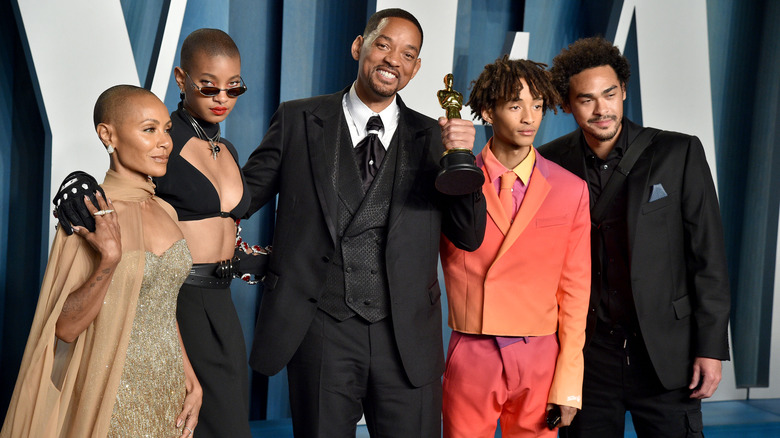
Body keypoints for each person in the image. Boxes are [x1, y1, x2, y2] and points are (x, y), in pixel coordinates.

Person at [241, 8, 486, 437]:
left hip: (405, 337)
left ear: (416, 68)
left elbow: (468, 235)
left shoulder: (435, 138)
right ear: (360, 46)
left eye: (408, 54)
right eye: (384, 44)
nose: (394, 60)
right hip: (320, 330)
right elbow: (240, 199)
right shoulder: (299, 119)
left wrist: (462, 161)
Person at [538, 36, 731, 437]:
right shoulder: (550, 161)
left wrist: (710, 348)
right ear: (568, 105)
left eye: (609, 94)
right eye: (586, 99)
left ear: (624, 91)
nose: (601, 108)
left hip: (665, 353)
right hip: (587, 358)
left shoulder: (679, 153)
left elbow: (708, 258)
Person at [1, 85, 201, 438]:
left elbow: (162, 307)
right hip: (111, 393)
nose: (165, 142)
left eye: (167, 129)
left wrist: (190, 377)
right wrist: (109, 259)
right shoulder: (88, 215)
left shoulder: (167, 210)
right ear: (108, 135)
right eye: (149, 129)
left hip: (168, 388)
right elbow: (64, 328)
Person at [439, 55, 590, 438]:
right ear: (488, 113)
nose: (530, 118)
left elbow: (575, 292)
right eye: (515, 105)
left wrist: (569, 383)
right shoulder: (452, 182)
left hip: (541, 355)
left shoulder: (570, 189)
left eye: (537, 105)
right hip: (472, 349)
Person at [152, 28, 253, 438]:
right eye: (209, 87)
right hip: (177, 302)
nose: (222, 99)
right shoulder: (161, 142)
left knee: (228, 422)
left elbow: (223, 227)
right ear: (181, 78)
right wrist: (78, 188)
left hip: (223, 303)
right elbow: (124, 193)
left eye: (234, 89)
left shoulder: (226, 148)